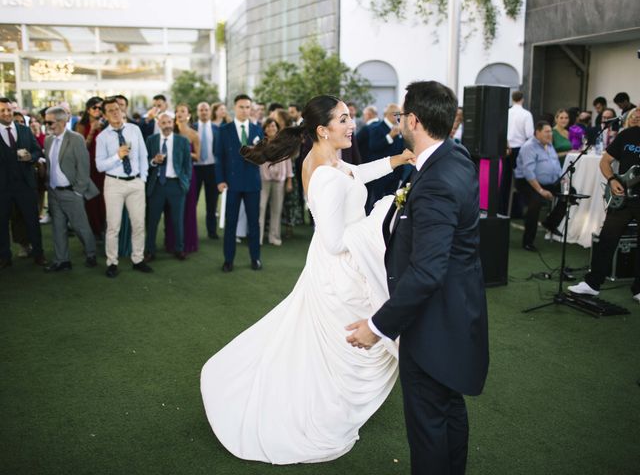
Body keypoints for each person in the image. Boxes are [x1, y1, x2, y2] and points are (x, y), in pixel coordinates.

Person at [201, 94, 414, 464]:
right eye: (344, 119)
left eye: (350, 118)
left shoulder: (331, 159)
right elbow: (333, 241)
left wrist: (399, 159)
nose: (352, 126)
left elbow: (357, 174)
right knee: (346, 346)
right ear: (322, 129)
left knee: (339, 346)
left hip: (344, 266)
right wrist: (382, 217)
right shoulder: (324, 174)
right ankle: (326, 413)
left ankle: (336, 404)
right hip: (339, 271)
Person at [344, 81, 488, 475]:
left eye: (402, 115)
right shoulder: (454, 157)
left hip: (434, 323)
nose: (400, 121)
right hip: (456, 313)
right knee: (448, 411)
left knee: (428, 426)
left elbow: (428, 271)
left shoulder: (438, 180)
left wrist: (378, 326)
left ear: (415, 121)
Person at [569, 107, 640, 304]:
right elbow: (605, 161)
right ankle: (592, 284)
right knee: (607, 239)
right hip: (622, 197)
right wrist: (612, 180)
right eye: (637, 110)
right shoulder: (627, 135)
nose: (638, 114)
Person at [95, 97, 151, 278]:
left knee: (139, 224)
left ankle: (138, 259)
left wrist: (142, 178)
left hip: (135, 183)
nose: (115, 112)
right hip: (114, 184)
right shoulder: (102, 137)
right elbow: (100, 166)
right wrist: (117, 157)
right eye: (110, 110)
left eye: (117, 109)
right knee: (113, 226)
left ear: (122, 110)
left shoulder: (135, 130)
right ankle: (112, 262)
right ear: (105, 115)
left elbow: (143, 155)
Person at [42, 106, 99, 272]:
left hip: (71, 192)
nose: (47, 125)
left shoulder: (76, 139)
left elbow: (83, 166)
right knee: (58, 228)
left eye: (49, 122)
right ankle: (62, 260)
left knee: (80, 226)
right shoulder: (48, 140)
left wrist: (78, 191)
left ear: (61, 121)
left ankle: (91, 254)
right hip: (53, 192)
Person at [215, 94, 264, 272]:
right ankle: (228, 260)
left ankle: (255, 258)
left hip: (252, 183)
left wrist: (256, 153)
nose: (245, 110)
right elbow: (218, 157)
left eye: (247, 107)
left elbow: (262, 156)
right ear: (234, 108)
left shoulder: (257, 129)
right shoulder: (224, 130)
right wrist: (220, 180)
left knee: (254, 223)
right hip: (231, 183)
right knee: (231, 223)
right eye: (241, 107)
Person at [0, 97, 47, 268]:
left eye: (8, 110)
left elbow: (37, 151)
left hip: (25, 185)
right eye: (2, 110)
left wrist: (31, 157)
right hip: (2, 188)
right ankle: (4, 257)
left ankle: (38, 253)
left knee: (32, 221)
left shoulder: (24, 131)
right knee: (2, 223)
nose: (6, 113)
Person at [514, 120, 570, 251]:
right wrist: (540, 190)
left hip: (549, 182)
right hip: (527, 182)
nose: (550, 134)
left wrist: (562, 179)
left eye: (551, 131)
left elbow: (556, 166)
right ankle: (528, 241)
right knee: (536, 202)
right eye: (547, 131)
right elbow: (528, 173)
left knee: (570, 192)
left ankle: (550, 223)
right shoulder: (529, 146)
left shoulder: (549, 145)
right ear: (537, 132)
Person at [145, 113, 192, 261]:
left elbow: (187, 165)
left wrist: (185, 183)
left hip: (176, 185)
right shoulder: (151, 140)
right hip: (157, 185)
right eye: (163, 123)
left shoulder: (182, 141)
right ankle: (150, 250)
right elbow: (144, 161)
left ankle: (179, 249)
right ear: (159, 124)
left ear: (173, 123)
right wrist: (153, 160)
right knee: (152, 220)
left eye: (169, 122)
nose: (167, 125)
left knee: (177, 220)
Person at [164, 103, 200, 254]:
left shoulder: (194, 134)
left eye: (183, 111)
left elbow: (197, 156)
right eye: (177, 111)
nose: (179, 113)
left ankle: (187, 242)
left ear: (188, 115)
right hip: (170, 174)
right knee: (171, 209)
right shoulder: (170, 132)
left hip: (188, 174)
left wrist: (184, 153)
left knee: (188, 208)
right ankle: (171, 242)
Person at [75, 96, 107, 240]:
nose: (98, 110)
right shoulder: (81, 126)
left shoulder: (107, 124)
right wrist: (92, 131)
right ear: (88, 109)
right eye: (95, 107)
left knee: (104, 199)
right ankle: (93, 231)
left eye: (101, 108)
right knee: (91, 200)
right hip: (88, 167)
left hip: (104, 167)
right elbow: (82, 149)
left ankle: (104, 228)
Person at [258, 118, 293, 246]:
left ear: (277, 128)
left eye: (273, 126)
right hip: (264, 180)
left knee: (276, 209)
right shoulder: (261, 143)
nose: (270, 128)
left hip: (279, 181)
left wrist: (289, 181)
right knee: (261, 207)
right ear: (264, 129)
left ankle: (274, 237)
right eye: (267, 126)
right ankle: (258, 237)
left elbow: (288, 163)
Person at [505, 91, 534, 216]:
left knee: (505, 180)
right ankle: (518, 210)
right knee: (520, 181)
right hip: (520, 149)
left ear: (512, 99)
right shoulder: (526, 114)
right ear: (522, 99)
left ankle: (504, 208)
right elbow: (529, 134)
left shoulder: (507, 112)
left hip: (506, 148)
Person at [194, 101, 220, 239]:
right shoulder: (192, 128)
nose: (204, 112)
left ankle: (212, 231)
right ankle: (191, 231)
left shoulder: (217, 129)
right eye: (201, 110)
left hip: (212, 168)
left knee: (212, 202)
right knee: (193, 201)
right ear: (197, 112)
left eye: (206, 110)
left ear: (210, 112)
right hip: (195, 168)